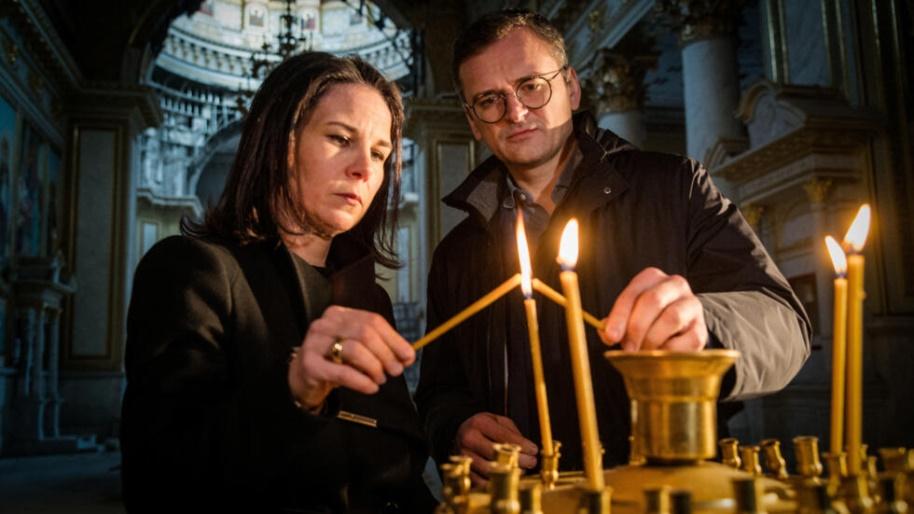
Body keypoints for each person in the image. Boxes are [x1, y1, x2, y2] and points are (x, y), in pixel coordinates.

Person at [414, 9, 812, 486]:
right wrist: (456, 430)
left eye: (531, 86)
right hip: (526, 497)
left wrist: (704, 326)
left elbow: (785, 325)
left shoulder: (676, 188)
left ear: (572, 87)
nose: (516, 112)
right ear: (473, 121)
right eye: (490, 100)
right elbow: (439, 390)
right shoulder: (456, 253)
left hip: (664, 490)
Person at [121, 52, 436, 513]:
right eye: (339, 138)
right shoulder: (192, 272)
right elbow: (159, 482)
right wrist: (294, 389)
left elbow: (397, 475)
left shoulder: (370, 300)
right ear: (283, 145)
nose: (364, 171)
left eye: (379, 153)